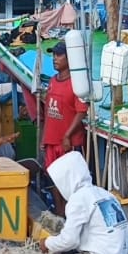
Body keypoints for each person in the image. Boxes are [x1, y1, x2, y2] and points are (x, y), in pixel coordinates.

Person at [38, 151, 128, 254]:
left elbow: (69, 241)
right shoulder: (103, 193)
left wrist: (47, 243)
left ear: (66, 179)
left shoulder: (78, 199)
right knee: (64, 253)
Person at [41, 41, 89, 217]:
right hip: (52, 140)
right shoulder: (52, 81)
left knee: (70, 182)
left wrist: (68, 135)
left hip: (67, 142)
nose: (55, 58)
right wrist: (44, 137)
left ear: (70, 58)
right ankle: (60, 213)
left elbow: (81, 111)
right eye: (54, 55)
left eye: (59, 55)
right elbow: (48, 111)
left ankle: (71, 215)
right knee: (54, 179)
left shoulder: (76, 84)